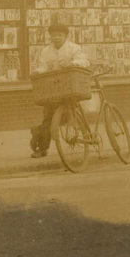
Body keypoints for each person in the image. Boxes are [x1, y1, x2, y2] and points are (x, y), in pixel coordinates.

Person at [30, 22, 90, 159]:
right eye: (54, 35)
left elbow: (84, 61)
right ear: (50, 37)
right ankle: (42, 148)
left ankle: (79, 131)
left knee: (73, 112)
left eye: (60, 35)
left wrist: (74, 63)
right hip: (53, 90)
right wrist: (38, 71)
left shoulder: (74, 48)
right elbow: (43, 67)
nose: (56, 38)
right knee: (48, 119)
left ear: (66, 36)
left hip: (69, 88)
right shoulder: (46, 51)